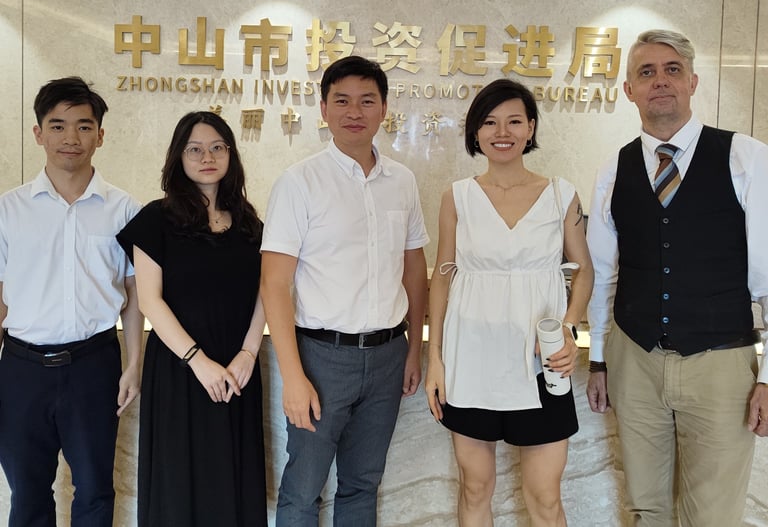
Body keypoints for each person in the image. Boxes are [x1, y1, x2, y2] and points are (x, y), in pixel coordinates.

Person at [586, 29, 768, 527]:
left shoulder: (746, 158)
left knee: (713, 514)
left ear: (692, 82)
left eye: (671, 70)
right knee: (646, 506)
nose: (659, 81)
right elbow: (604, 276)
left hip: (721, 362)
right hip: (636, 358)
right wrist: (599, 361)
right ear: (628, 90)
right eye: (646, 72)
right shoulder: (613, 169)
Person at [260, 55, 429, 526]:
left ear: (383, 109)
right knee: (303, 489)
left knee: (362, 485)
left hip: (387, 355)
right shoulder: (299, 182)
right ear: (323, 109)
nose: (354, 111)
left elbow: (415, 269)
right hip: (320, 358)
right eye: (342, 101)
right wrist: (293, 377)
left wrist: (414, 350)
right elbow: (274, 283)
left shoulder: (403, 181)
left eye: (366, 101)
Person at [425, 78, 593, 527]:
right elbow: (442, 276)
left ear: (531, 128)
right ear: (476, 133)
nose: (503, 132)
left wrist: (569, 330)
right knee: (475, 486)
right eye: (489, 122)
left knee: (545, 495)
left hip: (541, 361)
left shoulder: (562, 193)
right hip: (471, 357)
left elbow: (585, 270)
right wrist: (435, 359)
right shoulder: (456, 196)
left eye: (514, 121)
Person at [0, 76, 142, 527]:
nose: (70, 138)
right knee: (27, 491)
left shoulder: (125, 211)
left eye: (83, 126)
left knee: (97, 489)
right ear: (39, 133)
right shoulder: (9, 210)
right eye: (57, 126)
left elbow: (136, 298)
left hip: (93, 364)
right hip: (21, 367)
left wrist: (134, 363)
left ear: (100, 135)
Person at [116, 111, 267, 526]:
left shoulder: (250, 222)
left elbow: (267, 292)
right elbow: (149, 301)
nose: (207, 156)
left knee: (234, 482)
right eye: (195, 149)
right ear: (178, 157)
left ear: (231, 155)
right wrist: (198, 361)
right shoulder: (156, 219)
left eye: (218, 147)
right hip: (181, 370)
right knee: (178, 485)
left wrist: (248, 354)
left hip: (237, 370)